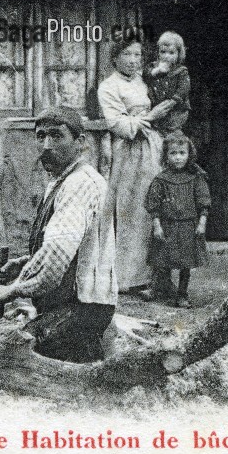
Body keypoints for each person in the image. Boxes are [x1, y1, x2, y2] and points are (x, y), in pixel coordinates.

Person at [0, 107, 117, 362]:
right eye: (41, 136)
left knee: (14, 356)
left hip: (81, 311)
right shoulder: (61, 181)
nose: (46, 145)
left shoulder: (80, 184)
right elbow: (66, 247)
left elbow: (55, 261)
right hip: (70, 308)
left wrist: (11, 290)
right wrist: (23, 265)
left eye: (56, 136)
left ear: (80, 143)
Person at [97, 39, 169, 292]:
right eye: (126, 54)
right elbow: (120, 125)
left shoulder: (143, 81)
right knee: (131, 211)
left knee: (155, 209)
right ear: (115, 57)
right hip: (129, 152)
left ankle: (154, 277)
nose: (132, 60)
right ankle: (128, 278)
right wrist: (150, 116)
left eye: (137, 54)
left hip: (153, 147)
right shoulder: (108, 87)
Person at [143, 132, 210, 308]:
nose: (178, 157)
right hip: (167, 225)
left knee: (185, 263)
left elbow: (203, 202)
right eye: (173, 153)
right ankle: (156, 288)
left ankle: (182, 294)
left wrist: (202, 223)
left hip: (188, 225)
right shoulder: (161, 179)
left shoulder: (196, 177)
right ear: (166, 155)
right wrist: (157, 225)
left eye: (182, 153)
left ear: (189, 155)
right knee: (161, 258)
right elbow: (154, 204)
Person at [144, 31, 191, 135]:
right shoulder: (153, 66)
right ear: (158, 52)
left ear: (179, 54)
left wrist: (174, 101)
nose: (166, 56)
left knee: (172, 131)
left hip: (176, 109)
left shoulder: (181, 70)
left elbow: (184, 88)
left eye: (171, 53)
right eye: (163, 52)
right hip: (157, 107)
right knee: (156, 131)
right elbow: (145, 74)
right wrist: (157, 71)